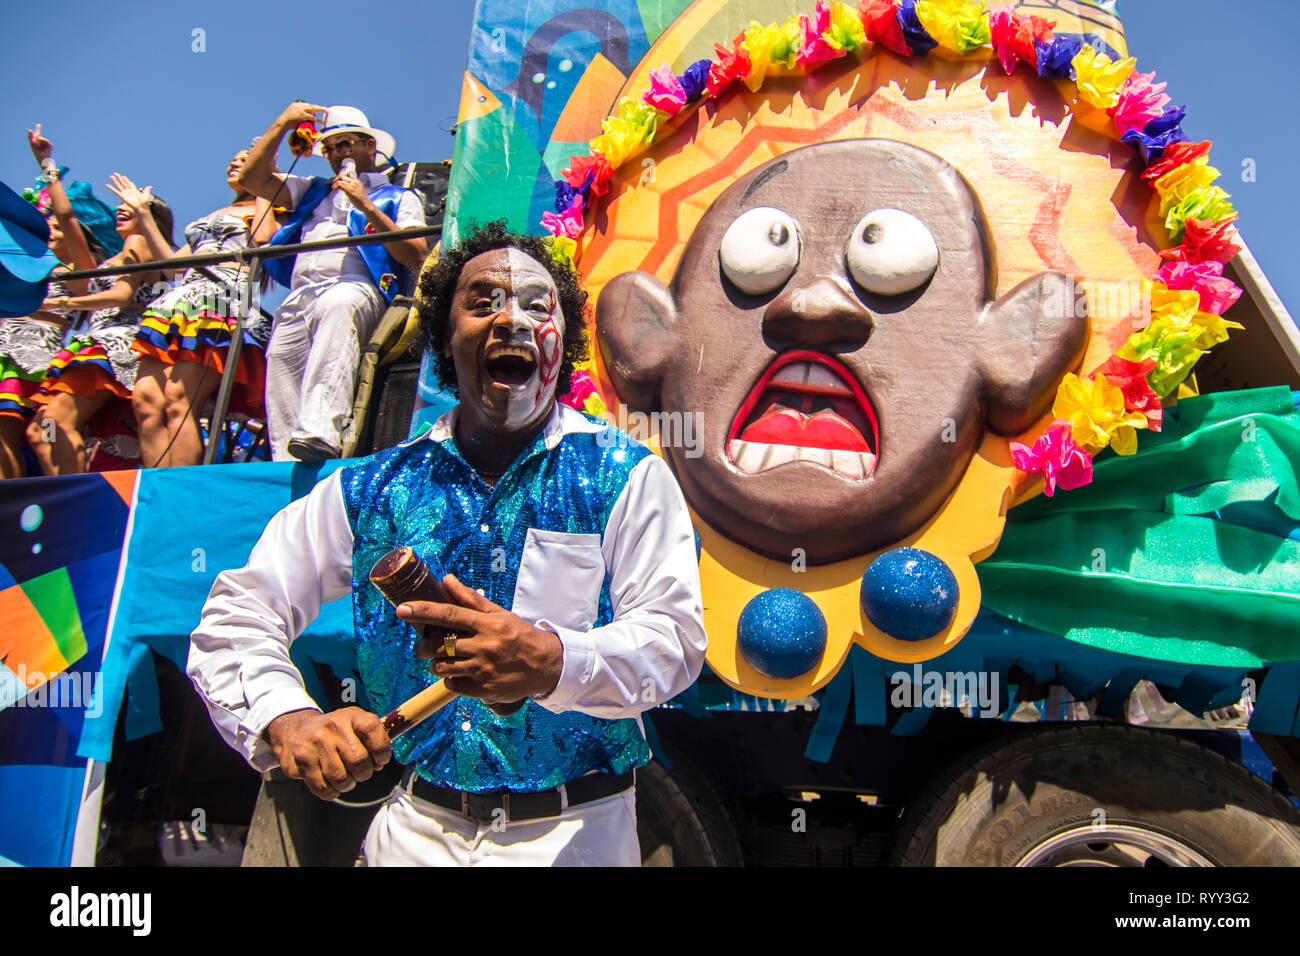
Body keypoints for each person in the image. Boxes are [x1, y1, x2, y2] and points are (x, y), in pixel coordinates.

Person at [188, 222, 707, 866]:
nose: (510, 320)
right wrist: (287, 718)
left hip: (578, 839)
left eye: (536, 307)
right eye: (483, 302)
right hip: (412, 834)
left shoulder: (627, 475)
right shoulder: (369, 488)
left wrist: (552, 660)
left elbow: (674, 641)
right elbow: (240, 610)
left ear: (564, 343)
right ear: (443, 336)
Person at [236, 103, 428, 461]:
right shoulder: (312, 190)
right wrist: (283, 123)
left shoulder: (398, 196)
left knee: (338, 304)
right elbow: (251, 179)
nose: (335, 154)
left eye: (345, 145)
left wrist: (365, 205)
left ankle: (321, 430)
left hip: (358, 289)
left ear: (370, 146)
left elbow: (415, 254)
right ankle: (286, 462)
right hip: (300, 295)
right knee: (280, 355)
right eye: (328, 148)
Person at [108, 152, 279, 468]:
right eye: (235, 158)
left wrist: (264, 185)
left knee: (178, 402)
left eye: (248, 159)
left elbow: (265, 240)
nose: (235, 162)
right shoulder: (214, 212)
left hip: (219, 299)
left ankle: (181, 494)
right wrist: (144, 214)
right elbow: (173, 270)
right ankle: (158, 493)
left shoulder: (268, 204)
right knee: (146, 402)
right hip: (177, 302)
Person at [28, 184, 172, 474]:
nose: (119, 209)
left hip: (113, 345)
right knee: (43, 431)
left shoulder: (137, 241)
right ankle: (69, 500)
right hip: (98, 344)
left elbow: (120, 296)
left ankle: (70, 503)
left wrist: (58, 303)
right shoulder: (125, 250)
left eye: (128, 206)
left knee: (50, 427)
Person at [0, 124, 116, 478]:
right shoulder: (24, 260)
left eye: (59, 222)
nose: (51, 223)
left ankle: (57, 502)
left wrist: (46, 163)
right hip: (4, 349)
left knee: (42, 432)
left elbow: (65, 214)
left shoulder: (78, 269)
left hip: (32, 359)